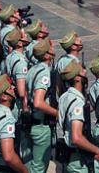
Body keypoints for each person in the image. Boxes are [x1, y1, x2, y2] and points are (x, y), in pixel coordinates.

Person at [57, 60, 99, 171]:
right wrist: (96, 150)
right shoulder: (77, 103)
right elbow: (76, 138)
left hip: (71, 156)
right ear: (77, 79)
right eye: (82, 71)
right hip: (79, 160)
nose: (85, 72)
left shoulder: (64, 96)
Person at [25, 39, 57, 173]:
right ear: (46, 55)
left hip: (31, 122)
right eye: (50, 48)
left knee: (29, 163)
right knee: (39, 167)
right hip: (41, 126)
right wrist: (56, 113)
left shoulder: (33, 69)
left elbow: (26, 96)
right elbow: (38, 102)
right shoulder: (44, 72)